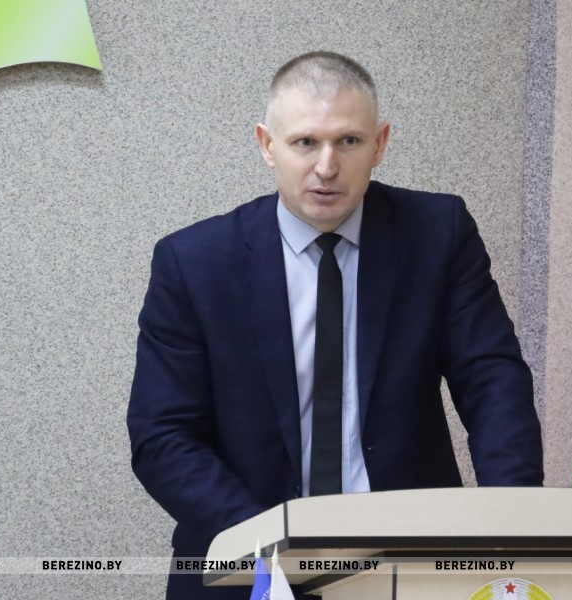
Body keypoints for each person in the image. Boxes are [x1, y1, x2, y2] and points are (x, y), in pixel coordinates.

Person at [127, 51, 543, 600]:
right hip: (248, 563)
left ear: (380, 144)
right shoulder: (193, 262)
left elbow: (492, 379)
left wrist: (511, 524)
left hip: (405, 563)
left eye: (348, 141)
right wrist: (271, 547)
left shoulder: (438, 233)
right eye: (305, 142)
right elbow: (162, 435)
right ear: (267, 145)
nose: (326, 166)